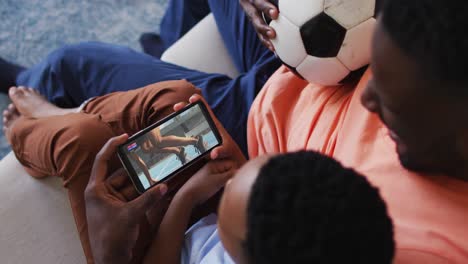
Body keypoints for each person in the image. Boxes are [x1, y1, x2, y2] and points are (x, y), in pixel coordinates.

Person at [244, 0, 468, 262]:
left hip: (251, 129)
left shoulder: (415, 244)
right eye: (374, 75)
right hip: (287, 50)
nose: (366, 99)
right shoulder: (420, 49)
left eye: (389, 103)